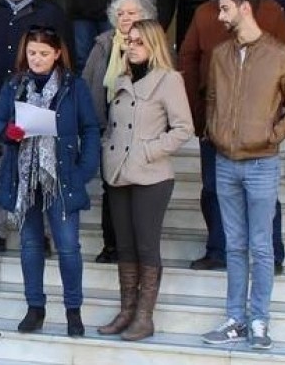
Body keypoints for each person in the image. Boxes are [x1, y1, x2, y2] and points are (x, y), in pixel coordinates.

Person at [202, 0, 285, 351]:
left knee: (261, 246)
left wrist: (272, 134)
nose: (220, 16)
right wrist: (214, 131)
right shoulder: (219, 54)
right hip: (226, 160)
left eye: (225, 8)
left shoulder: (279, 54)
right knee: (234, 244)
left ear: (245, 8)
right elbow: (212, 98)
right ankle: (235, 318)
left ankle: (259, 319)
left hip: (262, 161)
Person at [179, 0, 285, 273]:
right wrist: (193, 113)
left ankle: (272, 255)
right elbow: (187, 60)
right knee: (214, 189)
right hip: (212, 120)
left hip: (258, 122)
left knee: (262, 192)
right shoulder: (205, 14)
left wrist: (277, 120)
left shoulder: (271, 12)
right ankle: (218, 250)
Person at [0, 27, 100, 337]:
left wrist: (84, 170)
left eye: (43, 53)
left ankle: (73, 311)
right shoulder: (14, 84)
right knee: (29, 245)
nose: (36, 59)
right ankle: (35, 308)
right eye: (31, 53)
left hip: (61, 177)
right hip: (24, 177)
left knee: (68, 247)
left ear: (56, 54)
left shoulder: (73, 86)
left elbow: (90, 129)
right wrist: (8, 132)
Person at [98, 19, 193, 341]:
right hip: (118, 172)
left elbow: (184, 128)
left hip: (152, 175)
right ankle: (126, 310)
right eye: (129, 41)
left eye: (139, 41)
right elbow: (113, 126)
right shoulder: (121, 78)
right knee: (124, 246)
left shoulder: (168, 80)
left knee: (146, 245)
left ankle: (144, 316)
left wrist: (149, 150)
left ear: (154, 44)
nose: (131, 46)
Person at [0, 0, 70, 255]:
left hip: (39, 103)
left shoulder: (50, 12)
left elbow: (65, 58)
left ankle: (41, 236)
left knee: (39, 167)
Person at [82, 0, 158, 264]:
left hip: (140, 131)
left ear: (145, 17)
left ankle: (135, 246)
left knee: (137, 191)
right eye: (121, 13)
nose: (125, 18)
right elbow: (87, 80)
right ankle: (111, 245)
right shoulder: (103, 44)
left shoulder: (153, 47)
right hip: (107, 128)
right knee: (110, 187)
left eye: (132, 13)